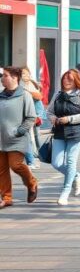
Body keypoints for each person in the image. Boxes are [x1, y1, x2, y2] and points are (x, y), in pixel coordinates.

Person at [46, 69, 80, 205]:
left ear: (76, 81)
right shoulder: (58, 94)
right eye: (64, 79)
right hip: (60, 131)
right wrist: (53, 117)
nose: (66, 81)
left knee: (71, 161)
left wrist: (70, 119)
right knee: (57, 163)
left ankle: (65, 193)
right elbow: (49, 111)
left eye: (70, 79)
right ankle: (78, 176)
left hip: (76, 132)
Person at [0, 66, 39, 208]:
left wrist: (19, 131)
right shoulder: (1, 95)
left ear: (14, 78)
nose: (2, 78)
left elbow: (31, 117)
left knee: (15, 165)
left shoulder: (24, 95)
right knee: (1, 169)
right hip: (1, 139)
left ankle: (32, 182)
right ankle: (7, 197)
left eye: (5, 75)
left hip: (17, 139)